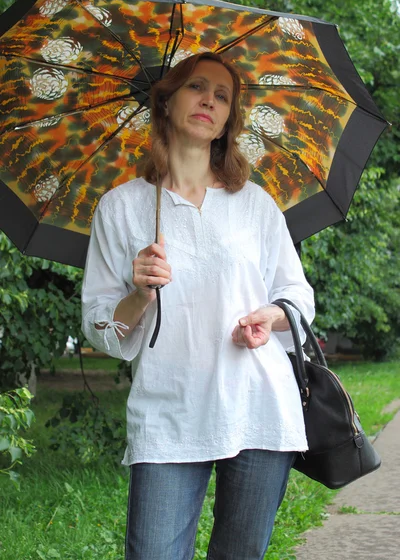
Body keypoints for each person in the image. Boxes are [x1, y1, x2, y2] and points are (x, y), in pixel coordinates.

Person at [81, 51, 315, 560]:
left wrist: (268, 317)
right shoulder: (120, 208)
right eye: (196, 87)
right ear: (165, 102)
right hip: (170, 410)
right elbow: (100, 326)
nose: (209, 99)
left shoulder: (254, 203)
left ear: (229, 119)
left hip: (259, 405)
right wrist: (137, 295)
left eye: (222, 94)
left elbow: (298, 296)